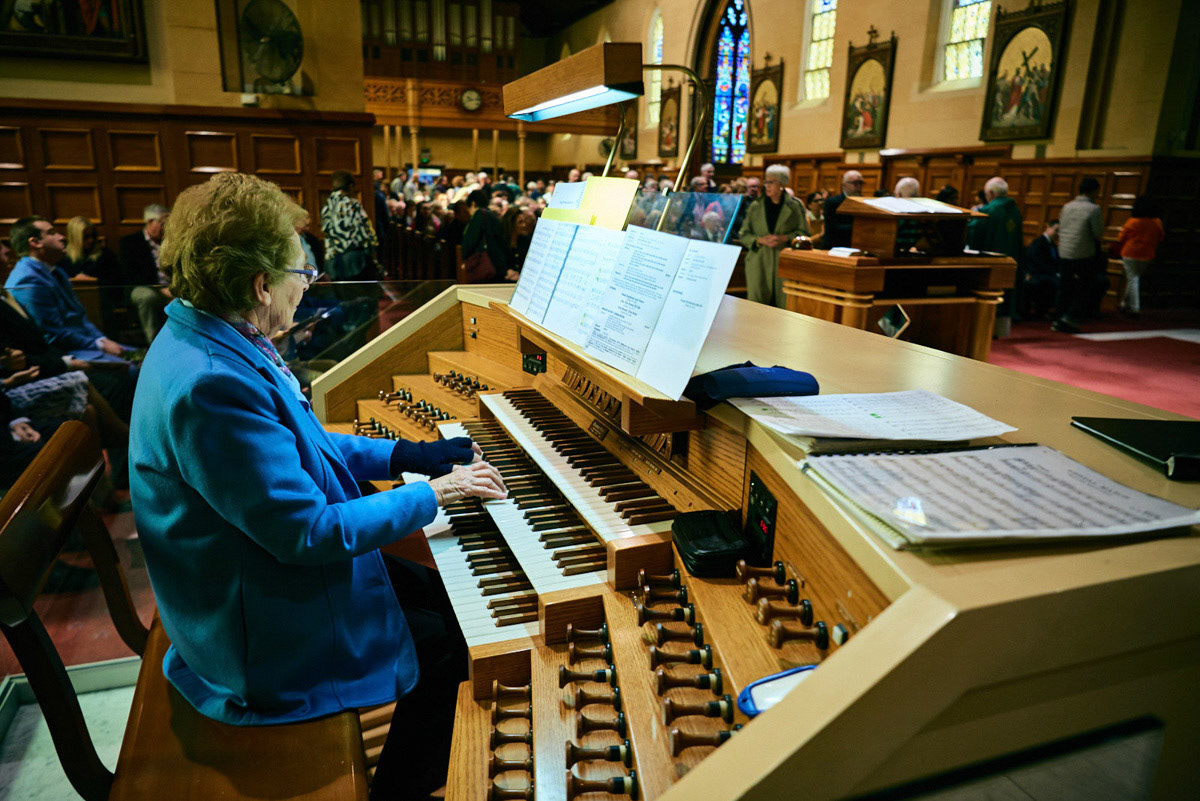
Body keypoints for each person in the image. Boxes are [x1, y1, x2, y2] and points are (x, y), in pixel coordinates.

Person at [129, 172, 507, 800]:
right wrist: (439, 493)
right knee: (446, 644)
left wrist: (410, 451)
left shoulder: (215, 335)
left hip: (248, 574)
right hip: (252, 630)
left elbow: (303, 440)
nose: (307, 287)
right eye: (301, 274)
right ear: (260, 285)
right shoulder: (209, 385)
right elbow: (306, 533)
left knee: (451, 601)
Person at [5, 216, 138, 365]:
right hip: (66, 355)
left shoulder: (55, 271)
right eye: (52, 233)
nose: (62, 237)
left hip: (85, 344)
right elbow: (52, 336)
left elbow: (80, 317)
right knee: (137, 369)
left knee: (144, 358)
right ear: (35, 242)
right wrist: (99, 345)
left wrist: (102, 340)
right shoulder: (28, 279)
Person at [739, 164, 808, 308]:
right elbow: (743, 234)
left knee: (783, 307)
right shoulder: (755, 206)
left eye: (771, 182)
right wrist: (759, 240)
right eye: (765, 182)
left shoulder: (795, 206)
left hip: (784, 261)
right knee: (756, 308)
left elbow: (804, 233)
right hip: (759, 262)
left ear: (782, 184)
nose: (767, 186)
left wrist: (786, 238)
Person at [1053, 177, 1104, 333]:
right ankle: (1070, 317)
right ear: (1094, 191)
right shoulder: (1093, 209)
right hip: (1082, 253)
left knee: (1065, 286)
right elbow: (1097, 233)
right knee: (1085, 287)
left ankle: (1058, 318)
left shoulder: (1067, 206)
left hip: (1064, 251)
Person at [119, 204, 172, 343]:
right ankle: (153, 344)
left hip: (171, 287)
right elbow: (131, 275)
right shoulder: (130, 243)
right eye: (162, 223)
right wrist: (160, 290)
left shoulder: (172, 241)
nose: (166, 227)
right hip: (144, 287)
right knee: (147, 297)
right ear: (149, 222)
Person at [321, 170, 378, 281]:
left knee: (342, 296)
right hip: (354, 261)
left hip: (333, 262)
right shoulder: (352, 204)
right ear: (351, 186)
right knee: (360, 296)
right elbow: (365, 233)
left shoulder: (327, 206)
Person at [1115, 195, 1164, 318]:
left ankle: (1135, 307)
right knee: (1135, 278)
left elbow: (1120, 237)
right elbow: (1161, 237)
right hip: (1147, 254)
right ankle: (1124, 303)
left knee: (1133, 278)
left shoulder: (1133, 221)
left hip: (1130, 253)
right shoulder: (1157, 222)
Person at [461, 188, 509, 283]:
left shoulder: (479, 214)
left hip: (484, 263)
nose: (469, 213)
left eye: (469, 208)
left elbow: (471, 240)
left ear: (473, 203)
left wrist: (464, 257)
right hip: (496, 263)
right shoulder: (492, 215)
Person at [60, 216, 120, 282]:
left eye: (93, 236)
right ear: (75, 238)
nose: (91, 240)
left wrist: (92, 281)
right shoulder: (63, 257)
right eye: (85, 237)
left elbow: (115, 282)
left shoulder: (105, 255)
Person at [1022, 220, 1061, 319]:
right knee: (1053, 282)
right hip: (1036, 273)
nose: (1058, 234)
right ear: (1048, 228)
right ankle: (1044, 311)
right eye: (1056, 230)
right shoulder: (1039, 243)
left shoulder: (1052, 245)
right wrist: (1054, 273)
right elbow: (1038, 263)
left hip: (1046, 273)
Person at [823, 170, 864, 248]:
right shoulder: (832, 202)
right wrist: (858, 227)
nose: (859, 186)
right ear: (844, 185)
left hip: (856, 245)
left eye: (861, 183)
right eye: (855, 183)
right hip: (836, 245)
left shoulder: (864, 202)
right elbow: (831, 227)